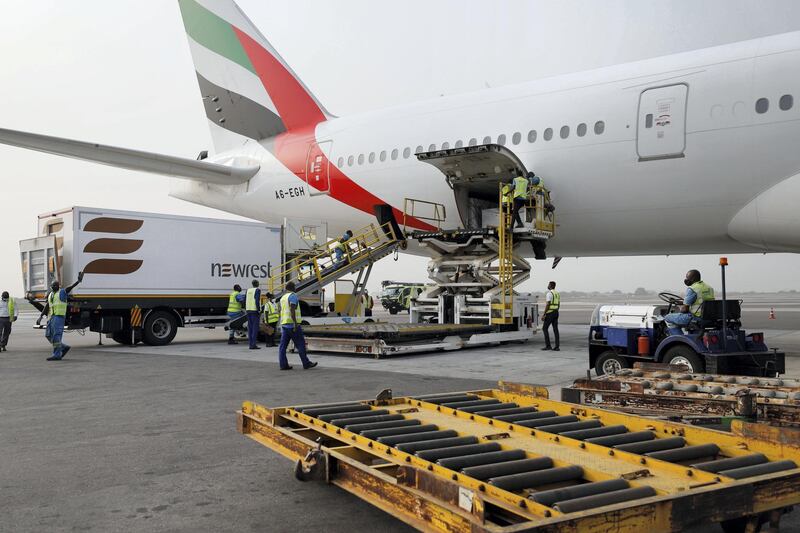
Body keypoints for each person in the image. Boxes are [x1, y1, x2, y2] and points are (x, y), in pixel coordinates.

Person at [38, 272, 84, 361]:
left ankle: (57, 354)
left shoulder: (62, 292)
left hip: (59, 317)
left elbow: (70, 287)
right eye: (52, 286)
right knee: (48, 335)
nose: (53, 287)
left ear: (58, 286)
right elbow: (47, 306)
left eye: (54, 286)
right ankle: (64, 347)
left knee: (56, 336)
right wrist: (40, 316)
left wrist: (78, 281)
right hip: (51, 317)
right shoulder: (51, 294)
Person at [277, 281, 317, 370]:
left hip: (284, 324)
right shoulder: (293, 296)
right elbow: (292, 310)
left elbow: (280, 311)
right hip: (292, 325)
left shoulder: (283, 298)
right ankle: (306, 363)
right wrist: (295, 323)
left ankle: (283, 365)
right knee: (300, 344)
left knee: (282, 347)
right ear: (293, 288)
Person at [541, 281, 560, 351]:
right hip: (556, 312)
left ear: (550, 286)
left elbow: (548, 304)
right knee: (555, 330)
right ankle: (557, 347)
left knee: (544, 328)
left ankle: (548, 346)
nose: (548, 285)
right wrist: (556, 310)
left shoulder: (549, 293)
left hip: (550, 313)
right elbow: (558, 304)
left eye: (548, 284)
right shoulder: (557, 293)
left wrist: (544, 314)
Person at [243, 279, 261, 350]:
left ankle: (250, 344)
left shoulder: (248, 290)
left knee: (250, 328)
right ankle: (253, 344)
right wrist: (258, 309)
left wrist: (246, 308)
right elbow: (257, 300)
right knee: (255, 328)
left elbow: (244, 300)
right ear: (257, 284)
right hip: (254, 311)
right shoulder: (257, 290)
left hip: (248, 310)